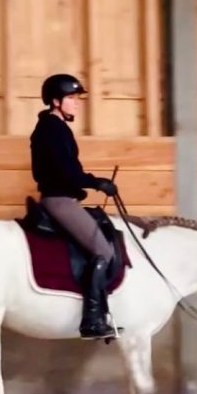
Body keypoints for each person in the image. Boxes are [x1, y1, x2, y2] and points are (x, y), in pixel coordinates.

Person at [30, 73, 121, 340]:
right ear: (56, 101)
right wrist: (97, 183)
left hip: (64, 196)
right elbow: (67, 171)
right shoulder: (52, 129)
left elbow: (65, 172)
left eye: (76, 98)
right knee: (103, 251)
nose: (76, 103)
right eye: (71, 98)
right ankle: (92, 320)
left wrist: (83, 186)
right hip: (58, 200)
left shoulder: (54, 128)